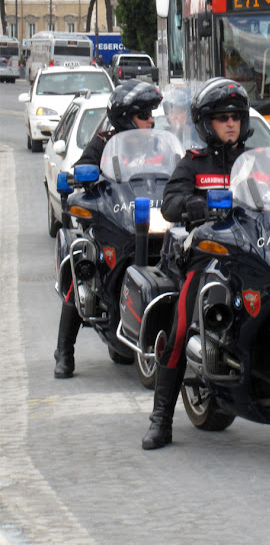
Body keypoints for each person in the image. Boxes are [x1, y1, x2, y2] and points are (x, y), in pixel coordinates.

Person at [142, 77, 252, 450]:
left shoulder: (254, 162)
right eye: (223, 117)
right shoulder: (193, 163)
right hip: (205, 258)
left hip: (251, 255)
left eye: (236, 116)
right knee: (180, 328)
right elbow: (170, 205)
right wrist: (197, 206)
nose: (231, 123)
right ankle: (161, 420)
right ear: (208, 123)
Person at [53, 79, 162, 378]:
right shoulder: (102, 143)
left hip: (150, 221)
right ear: (127, 118)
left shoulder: (158, 144)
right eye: (145, 115)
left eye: (152, 114)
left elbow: (174, 174)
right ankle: (64, 350)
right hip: (114, 220)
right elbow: (82, 171)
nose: (151, 120)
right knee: (83, 268)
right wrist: (84, 179)